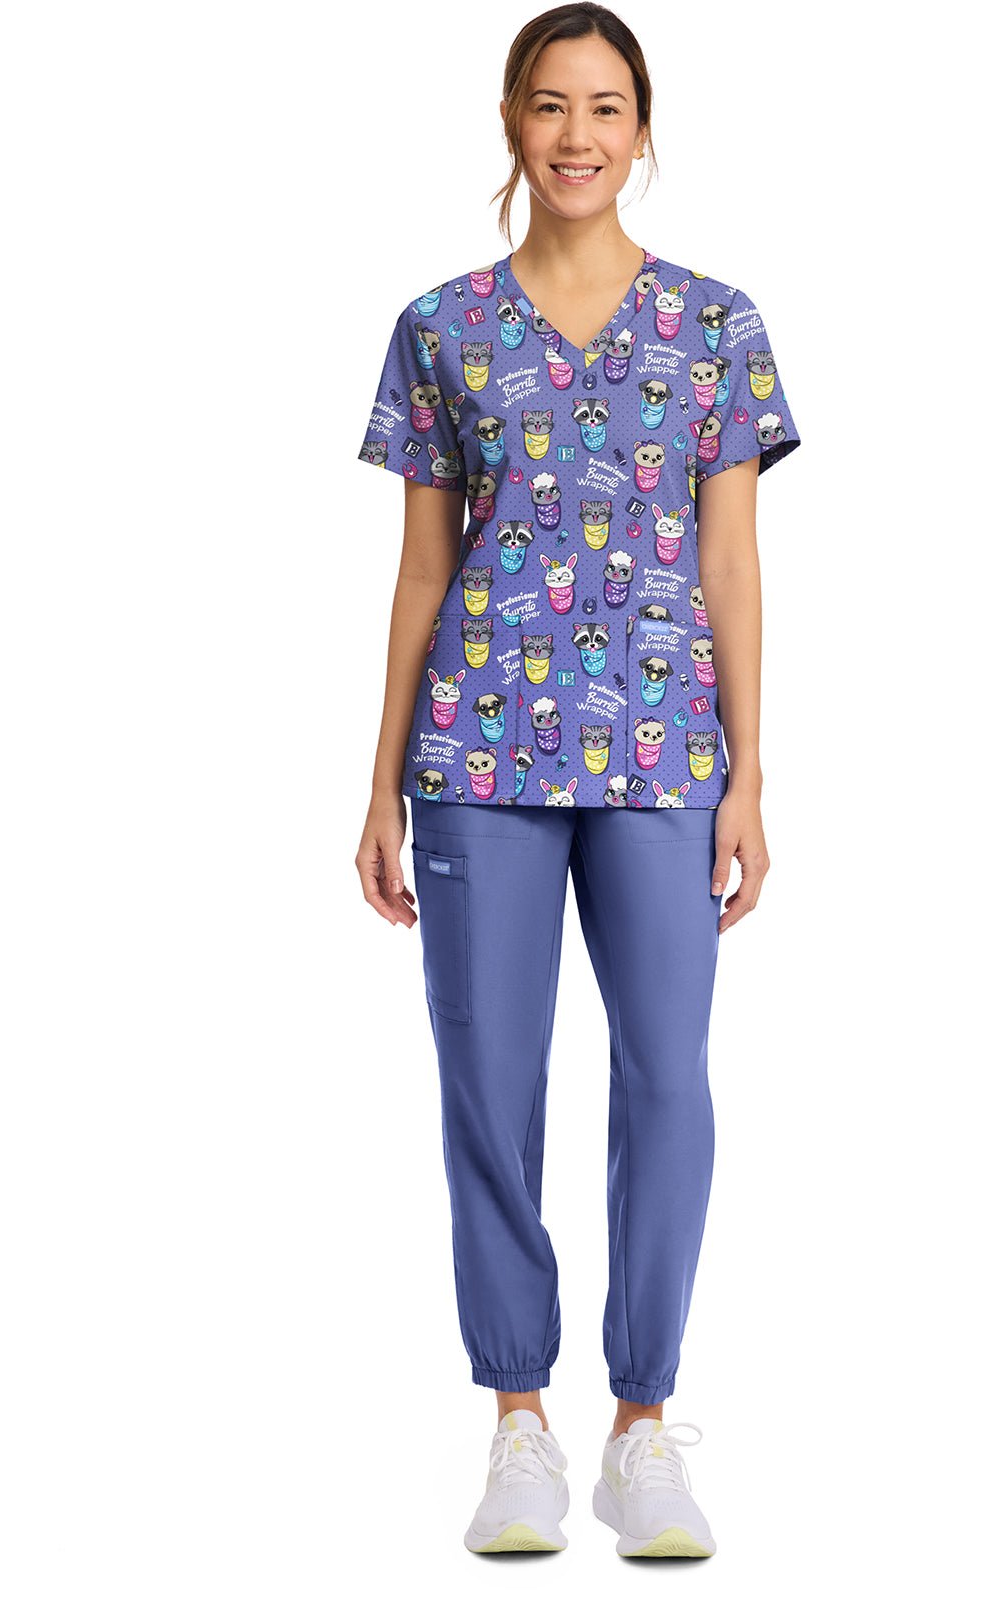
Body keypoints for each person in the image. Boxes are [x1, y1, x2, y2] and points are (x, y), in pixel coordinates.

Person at [353, 2, 801, 1561]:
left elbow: (731, 563)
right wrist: (378, 785)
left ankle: (642, 1427)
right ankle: (519, 1426)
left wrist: (750, 775)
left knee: (669, 1081)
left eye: (606, 106)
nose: (578, 135)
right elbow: (422, 572)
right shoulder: (443, 328)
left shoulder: (716, 325)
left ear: (642, 127)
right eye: (552, 105)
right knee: (490, 1086)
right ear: (511, 121)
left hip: (666, 753)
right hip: (477, 756)